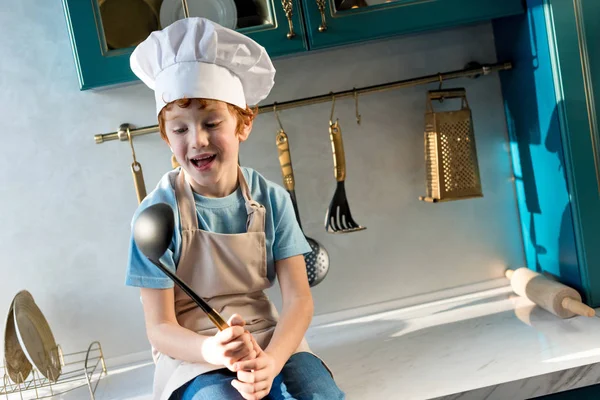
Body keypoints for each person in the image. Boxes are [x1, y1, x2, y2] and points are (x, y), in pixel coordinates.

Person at [124, 17, 345, 400]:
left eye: (212, 122)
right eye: (180, 129)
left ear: (243, 124)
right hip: (192, 352)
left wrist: (272, 363)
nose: (198, 140)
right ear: (165, 135)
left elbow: (298, 300)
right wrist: (211, 349)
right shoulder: (157, 214)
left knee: (319, 394)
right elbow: (159, 327)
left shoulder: (272, 200)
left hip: (271, 340)